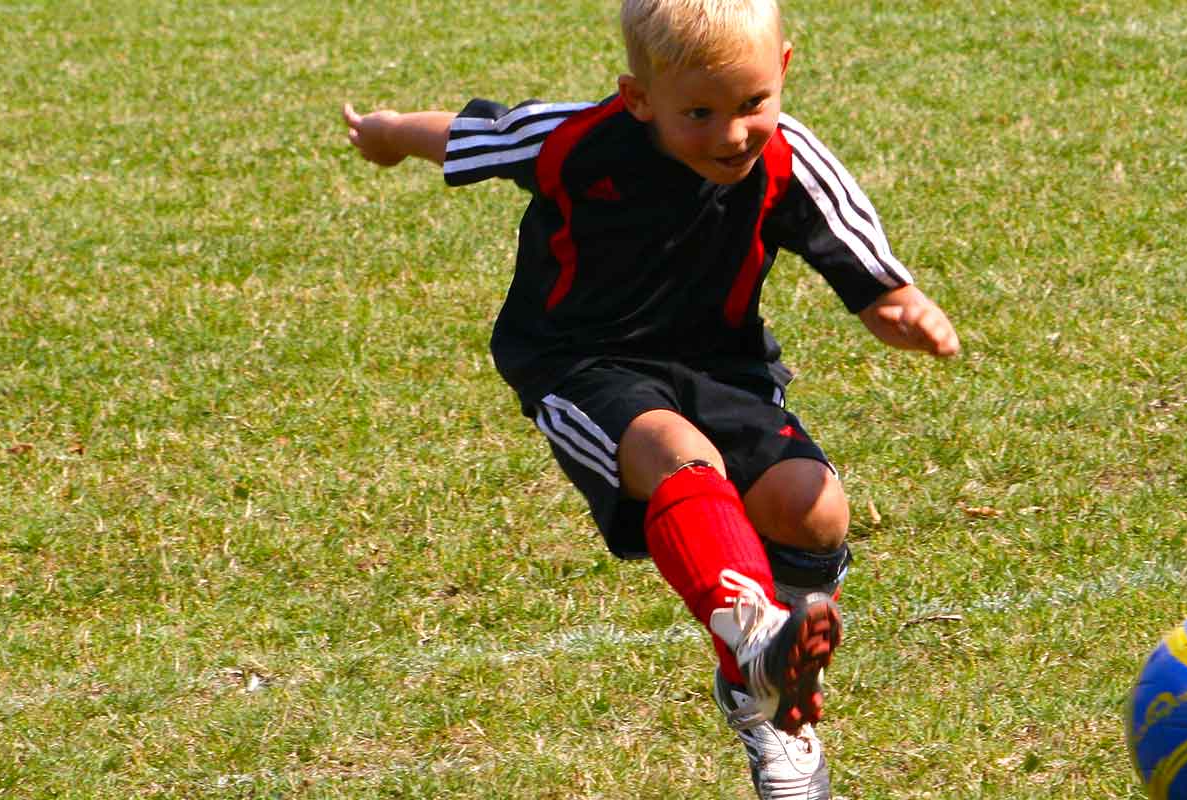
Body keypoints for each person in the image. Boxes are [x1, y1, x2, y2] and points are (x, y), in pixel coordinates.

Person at [340, 0, 958, 795]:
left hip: (721, 366)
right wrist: (388, 134)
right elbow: (468, 136)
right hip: (580, 361)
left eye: (752, 104)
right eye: (698, 113)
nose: (732, 133)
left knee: (815, 508)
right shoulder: (576, 141)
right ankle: (753, 639)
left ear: (785, 72)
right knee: (678, 455)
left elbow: (868, 269)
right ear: (638, 99)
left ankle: (772, 699)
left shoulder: (789, 158)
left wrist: (900, 309)